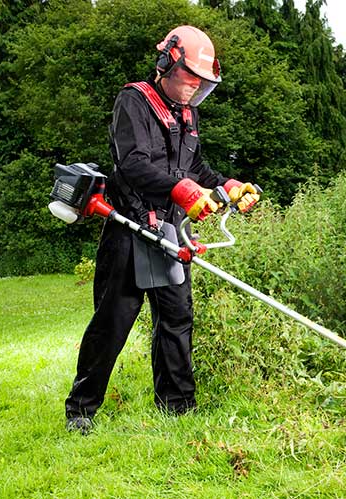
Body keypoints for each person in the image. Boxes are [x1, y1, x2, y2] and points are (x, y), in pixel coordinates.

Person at [65, 25, 260, 435]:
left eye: (201, 83)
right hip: (128, 227)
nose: (194, 88)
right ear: (167, 63)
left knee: (176, 318)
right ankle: (81, 410)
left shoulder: (188, 115)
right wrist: (185, 190)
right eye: (191, 78)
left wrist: (226, 186)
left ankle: (177, 406)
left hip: (170, 231)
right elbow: (133, 164)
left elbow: (196, 168)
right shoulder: (133, 101)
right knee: (113, 321)